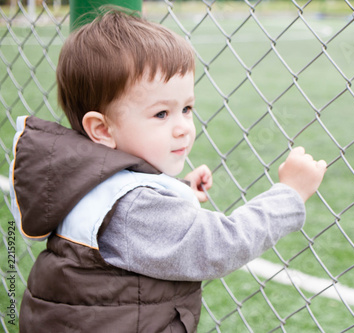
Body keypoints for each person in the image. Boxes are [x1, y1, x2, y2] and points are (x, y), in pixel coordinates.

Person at [9, 8, 327, 333]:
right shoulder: (136, 209)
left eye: (186, 109)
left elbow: (129, 215)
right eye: (162, 113)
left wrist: (180, 188)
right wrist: (289, 194)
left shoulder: (80, 178)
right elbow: (217, 246)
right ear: (102, 130)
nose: (183, 128)